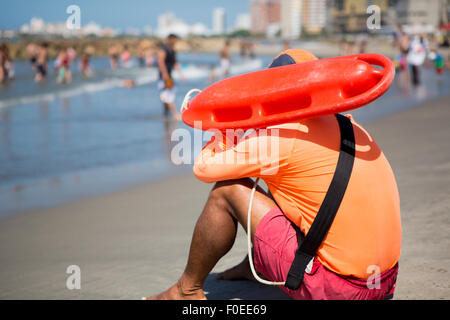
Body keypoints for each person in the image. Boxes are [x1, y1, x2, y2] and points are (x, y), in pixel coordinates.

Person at [147, 49, 401, 300]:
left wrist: (224, 126)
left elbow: (204, 168)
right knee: (287, 185)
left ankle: (185, 291)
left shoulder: (283, 137)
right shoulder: (350, 124)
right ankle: (255, 266)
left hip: (338, 289)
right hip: (383, 282)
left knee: (227, 190)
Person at [157, 34, 184, 120]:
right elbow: (160, 62)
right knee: (168, 95)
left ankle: (165, 115)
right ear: (171, 39)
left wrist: (181, 75)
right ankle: (175, 114)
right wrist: (165, 74)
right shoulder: (164, 49)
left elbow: (175, 63)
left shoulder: (172, 50)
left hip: (169, 76)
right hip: (164, 77)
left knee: (168, 95)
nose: (176, 42)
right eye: (175, 40)